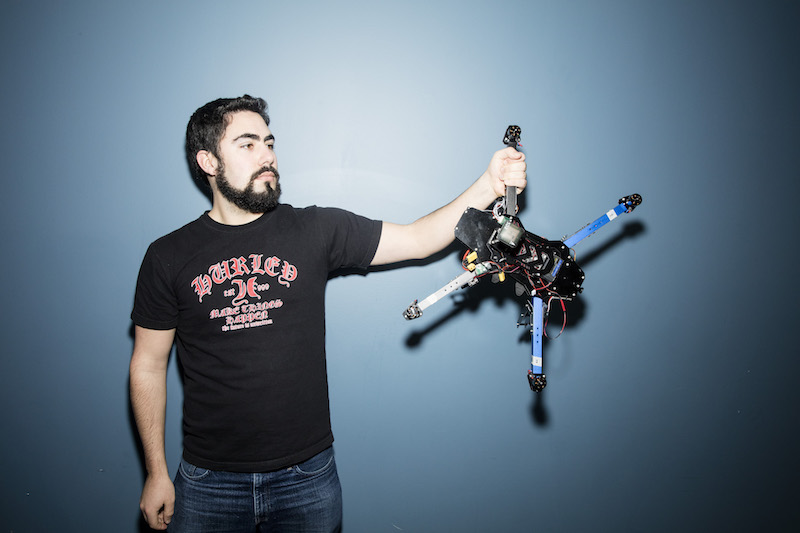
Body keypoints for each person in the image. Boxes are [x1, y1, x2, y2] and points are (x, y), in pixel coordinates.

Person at [129, 95, 526, 532]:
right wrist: (156, 472)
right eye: (248, 145)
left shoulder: (314, 229)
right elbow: (147, 365)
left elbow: (417, 239)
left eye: (269, 142)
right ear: (208, 160)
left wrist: (488, 184)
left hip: (306, 479)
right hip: (208, 484)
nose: (267, 155)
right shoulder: (167, 256)